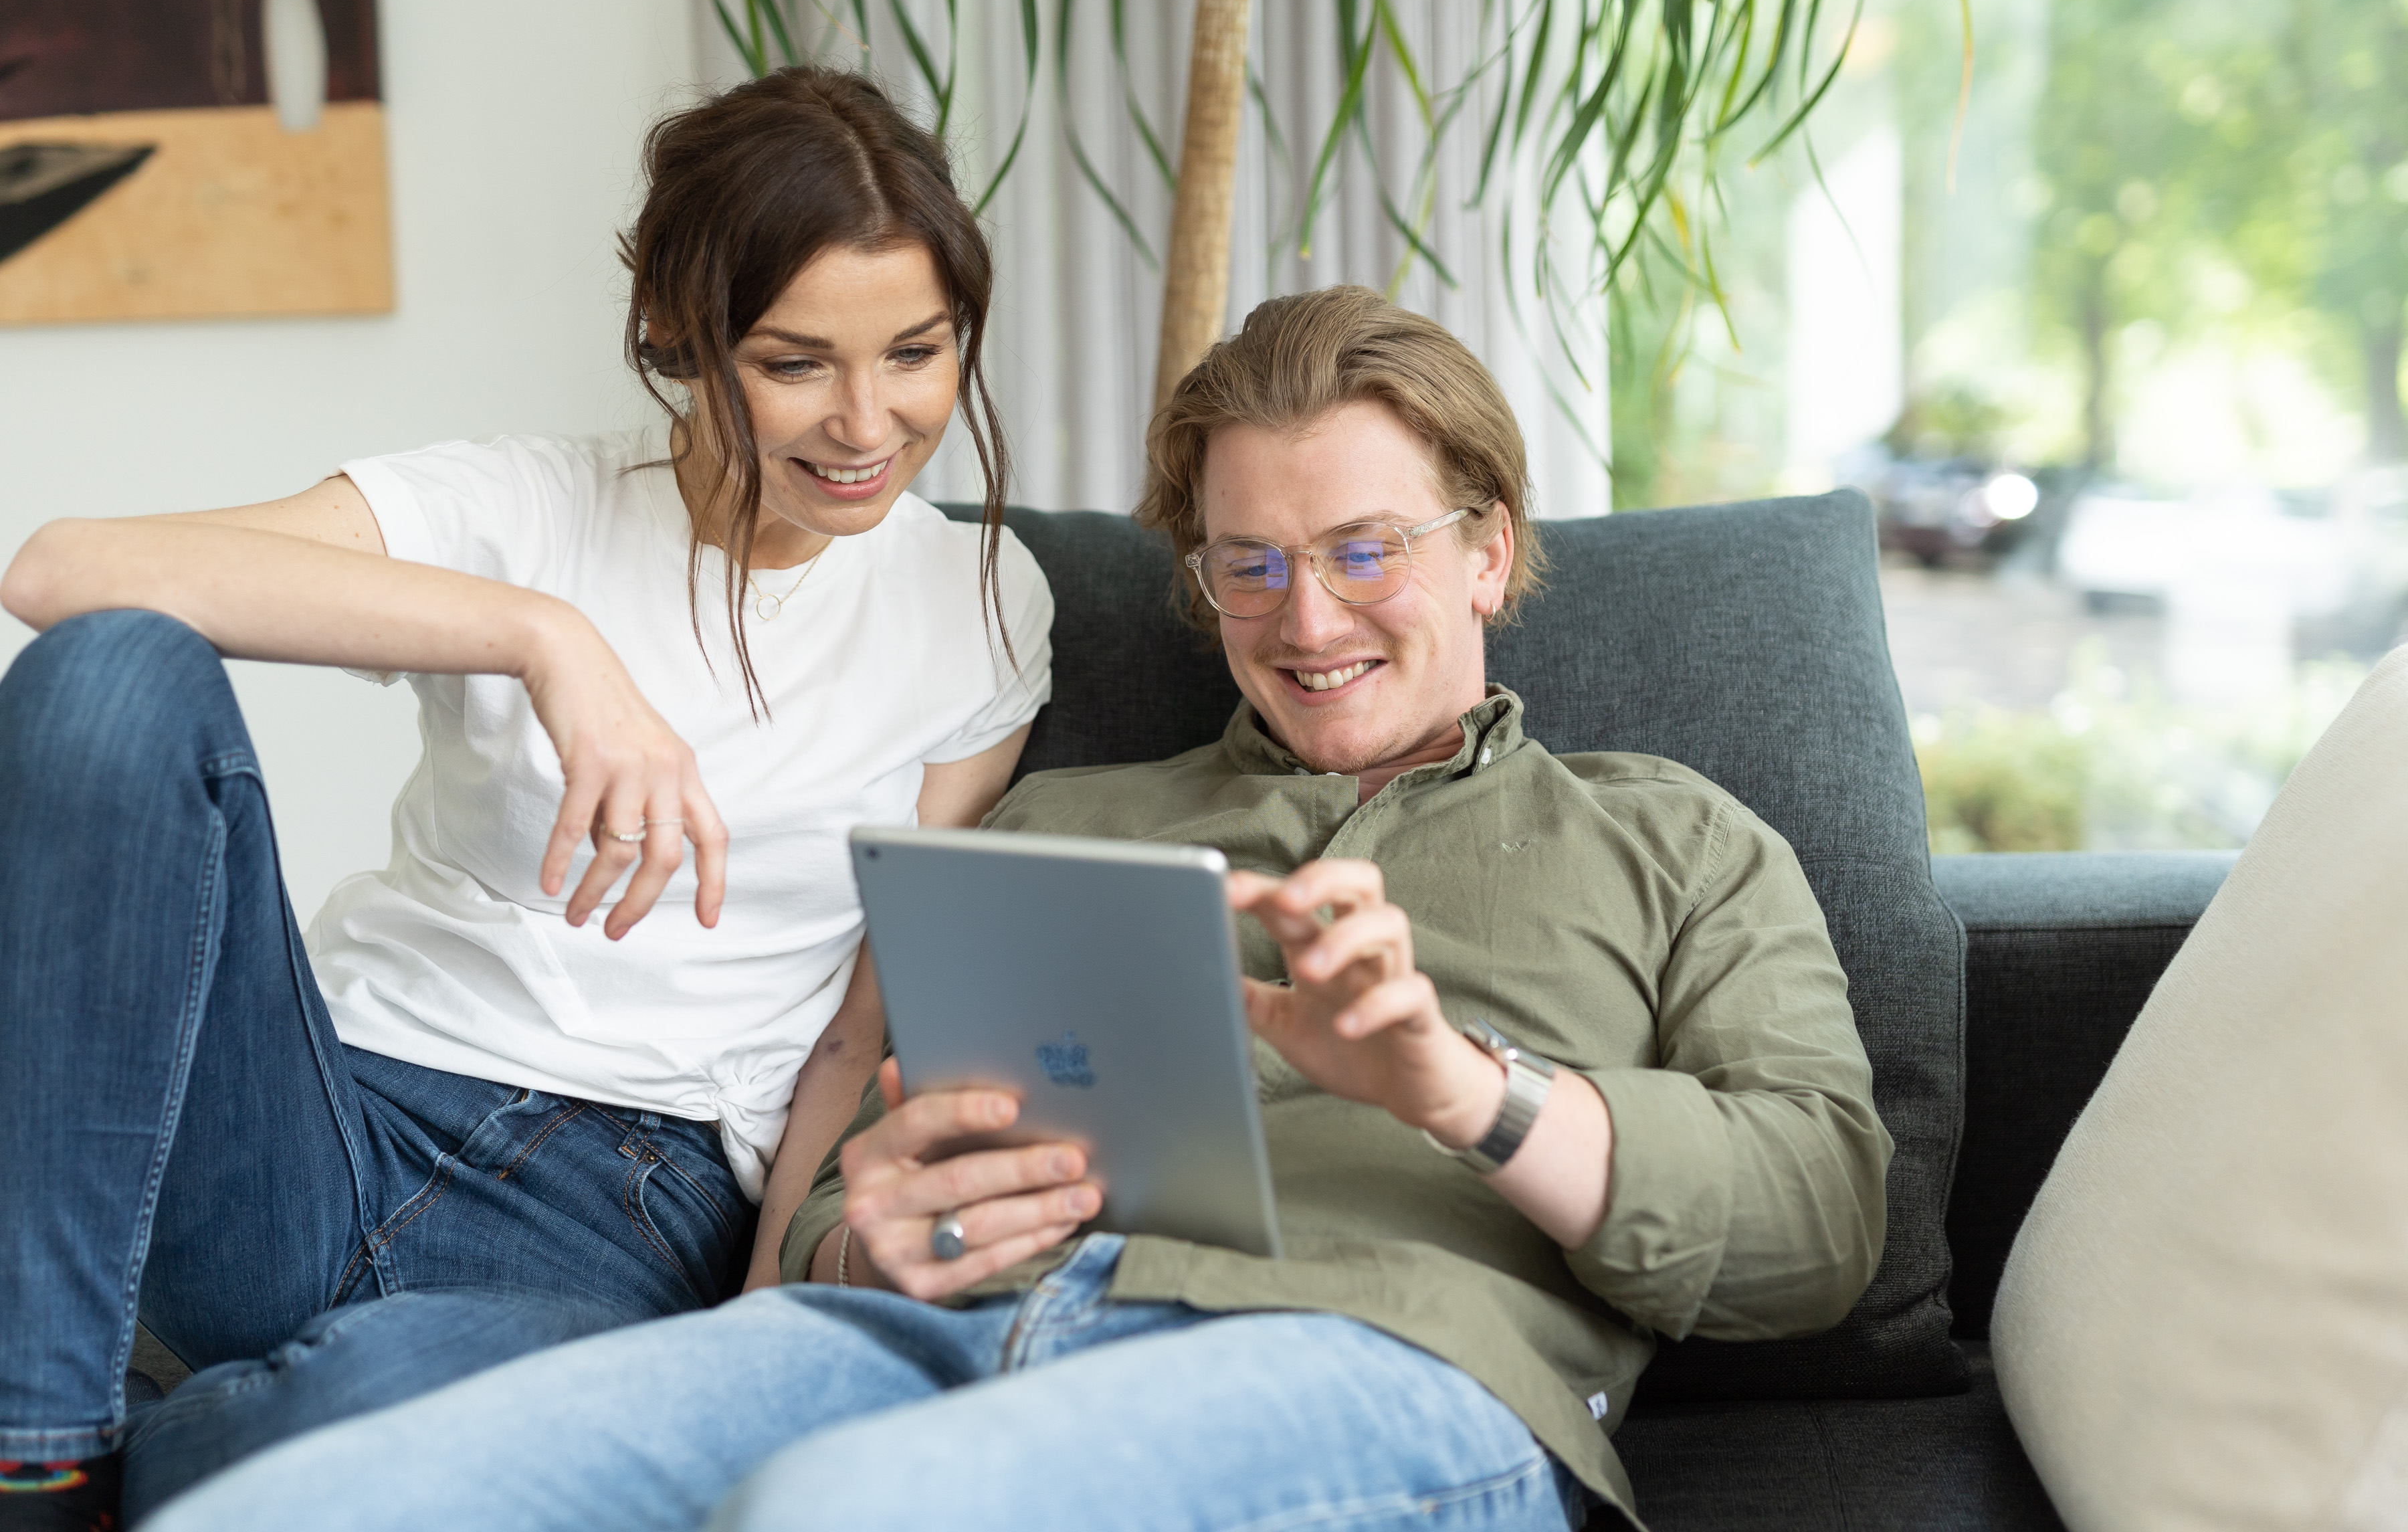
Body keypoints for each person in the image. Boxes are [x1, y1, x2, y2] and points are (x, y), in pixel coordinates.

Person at [144, 286, 1887, 1532]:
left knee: (846, 1512)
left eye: (1366, 548)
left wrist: (1461, 1089)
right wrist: (857, 1228)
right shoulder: (1062, 822)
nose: (1308, 615)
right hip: (924, 1329)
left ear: (1487, 551)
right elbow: (847, 1173)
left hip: (1375, 1354)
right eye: (1250, 565)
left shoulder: (1675, 841)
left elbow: (1821, 1227)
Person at [0, 66, 1052, 1531]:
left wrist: (741, 1351)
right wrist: (544, 640)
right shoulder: (524, 506)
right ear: (679, 339)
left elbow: (857, 1032)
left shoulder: (979, 600)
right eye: (794, 361)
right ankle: (37, 1456)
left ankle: (189, 1444)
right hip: (319, 1113)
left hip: (624, 1210)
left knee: (342, 1422)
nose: (867, 422)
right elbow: (60, 576)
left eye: (919, 353)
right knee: (115, 680)